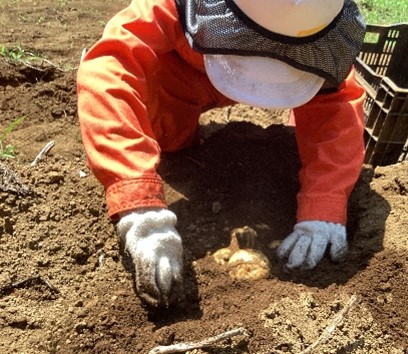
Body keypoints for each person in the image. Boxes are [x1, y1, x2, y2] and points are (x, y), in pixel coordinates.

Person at [77, 0, 367, 308]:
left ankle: (293, 136)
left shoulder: (321, 30)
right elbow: (110, 68)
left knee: (299, 139)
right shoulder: (170, 8)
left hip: (288, 64)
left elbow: (336, 108)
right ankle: (174, 134)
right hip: (187, 69)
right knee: (169, 141)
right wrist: (138, 204)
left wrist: (325, 205)